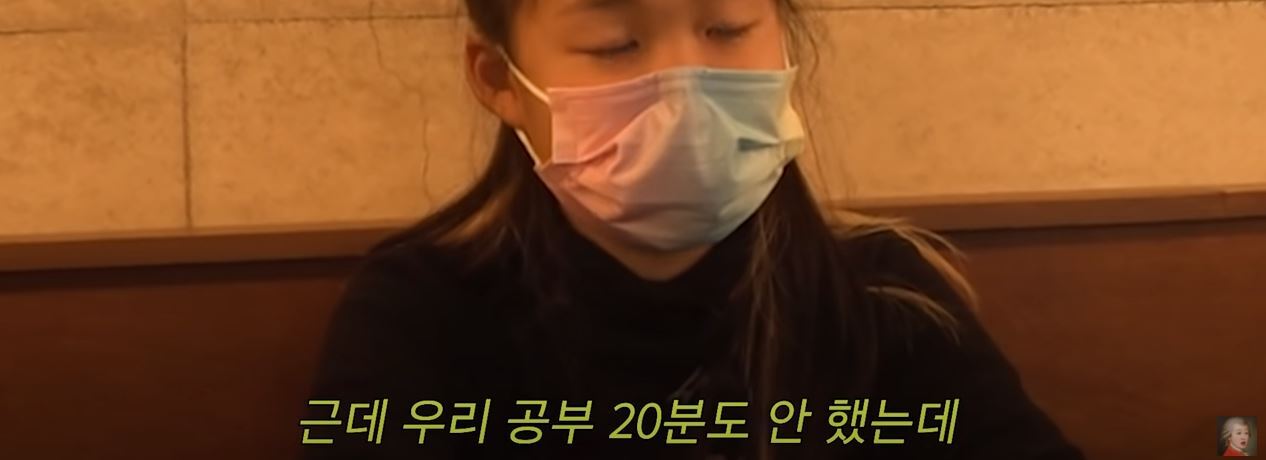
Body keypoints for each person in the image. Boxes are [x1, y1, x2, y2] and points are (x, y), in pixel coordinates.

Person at [302, 0, 1085, 459]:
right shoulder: (418, 314)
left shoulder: (884, 299)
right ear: (499, 79)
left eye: (728, 28)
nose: (684, 89)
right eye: (615, 44)